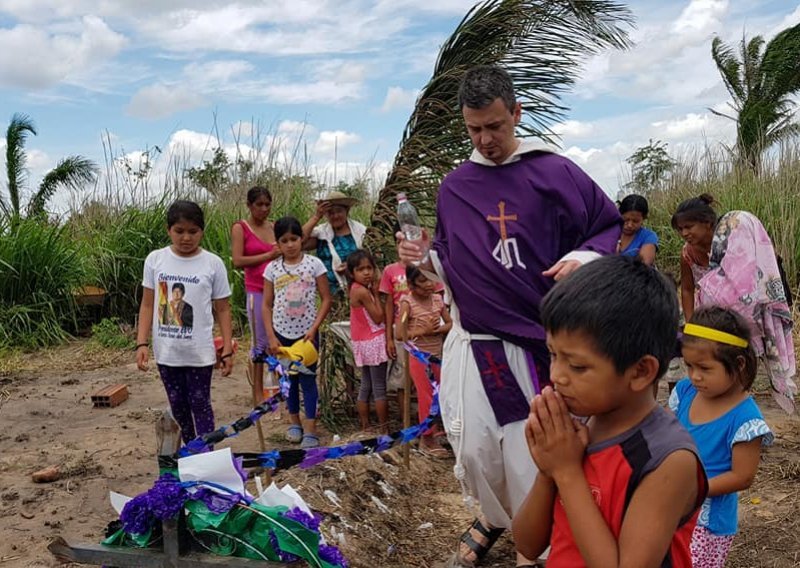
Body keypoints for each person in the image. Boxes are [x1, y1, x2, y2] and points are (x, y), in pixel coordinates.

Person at [398, 65, 622, 567]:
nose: (487, 139)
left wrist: (583, 260)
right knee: (476, 453)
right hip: (475, 343)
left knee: (533, 451)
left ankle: (541, 548)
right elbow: (449, 259)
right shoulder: (455, 187)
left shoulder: (556, 173)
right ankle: (505, 522)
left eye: (496, 126)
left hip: (539, 345)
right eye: (475, 129)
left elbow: (606, 228)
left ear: (516, 112)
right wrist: (422, 259)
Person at [512, 255, 708, 567]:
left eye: (577, 366)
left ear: (641, 372)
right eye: (553, 354)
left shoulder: (667, 459)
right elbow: (527, 543)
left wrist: (566, 471)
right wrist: (548, 470)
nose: (557, 376)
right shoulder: (577, 427)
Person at [669, 306, 773, 567]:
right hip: (671, 506)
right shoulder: (684, 393)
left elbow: (742, 476)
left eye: (704, 368)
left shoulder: (745, 419)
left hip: (707, 523)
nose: (694, 376)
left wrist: (694, 491)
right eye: (689, 366)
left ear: (738, 365)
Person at [672, 194, 796, 412]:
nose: (684, 233)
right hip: (711, 320)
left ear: (707, 222)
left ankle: (740, 405)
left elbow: (748, 276)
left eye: (689, 226)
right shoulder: (687, 254)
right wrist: (692, 324)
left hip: (743, 318)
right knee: (717, 363)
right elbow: (688, 289)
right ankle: (722, 406)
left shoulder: (736, 239)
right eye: (680, 229)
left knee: (744, 360)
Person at [136, 200, 234, 444]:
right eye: (179, 231)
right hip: (167, 353)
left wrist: (229, 348)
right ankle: (190, 454)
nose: (186, 238)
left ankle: (206, 456)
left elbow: (222, 308)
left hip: (199, 353)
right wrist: (141, 343)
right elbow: (148, 304)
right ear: (169, 230)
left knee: (200, 403)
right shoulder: (155, 260)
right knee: (178, 406)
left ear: (202, 231)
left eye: (193, 231)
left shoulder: (213, 264)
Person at [263, 216, 332, 448]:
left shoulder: (314, 265)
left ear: (302, 239)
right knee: (289, 380)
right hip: (282, 334)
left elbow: (326, 299)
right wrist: (271, 336)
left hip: (307, 335)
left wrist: (314, 328)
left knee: (308, 380)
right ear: (278, 244)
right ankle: (294, 423)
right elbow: (266, 304)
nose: (290, 244)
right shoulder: (272, 269)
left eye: (294, 239)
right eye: (285, 240)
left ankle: (311, 427)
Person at [379, 229, 446, 419]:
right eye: (403, 243)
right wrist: (390, 338)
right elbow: (390, 306)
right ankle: (406, 419)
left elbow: (440, 302)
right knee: (405, 381)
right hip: (407, 337)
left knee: (434, 385)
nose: (427, 284)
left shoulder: (429, 270)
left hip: (433, 343)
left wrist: (437, 328)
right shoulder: (390, 271)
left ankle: (432, 424)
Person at [231, 186, 281, 401]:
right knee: (260, 342)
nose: (264, 209)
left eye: (267, 204)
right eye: (259, 205)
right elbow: (238, 260)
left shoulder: (274, 227)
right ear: (249, 206)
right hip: (256, 290)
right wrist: (268, 255)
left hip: (279, 290)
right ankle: (257, 393)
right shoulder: (241, 228)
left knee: (278, 341)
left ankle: (279, 388)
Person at [400, 264, 453, 458]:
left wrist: (436, 330)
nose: (429, 284)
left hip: (437, 355)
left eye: (431, 279)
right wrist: (422, 332)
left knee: (441, 393)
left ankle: (437, 430)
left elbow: (449, 323)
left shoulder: (438, 300)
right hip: (418, 356)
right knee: (427, 395)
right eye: (423, 281)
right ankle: (427, 438)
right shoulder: (407, 303)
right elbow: (400, 334)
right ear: (411, 284)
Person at [346, 249, 390, 433]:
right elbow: (379, 317)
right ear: (351, 273)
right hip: (373, 341)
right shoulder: (363, 291)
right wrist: (377, 294)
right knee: (379, 386)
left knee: (366, 384)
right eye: (361, 269)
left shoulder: (355, 288)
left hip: (362, 342)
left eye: (369, 268)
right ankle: (384, 428)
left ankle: (365, 425)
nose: (366, 273)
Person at [302, 190, 366, 295]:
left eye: (339, 211)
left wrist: (350, 267)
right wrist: (317, 216)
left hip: (358, 291)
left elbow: (369, 258)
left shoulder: (360, 231)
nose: (335, 216)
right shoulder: (321, 233)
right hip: (327, 293)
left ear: (347, 211)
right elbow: (300, 240)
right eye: (331, 213)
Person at [616, 194, 658, 265]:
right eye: (626, 219)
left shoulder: (648, 237)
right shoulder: (609, 233)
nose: (629, 225)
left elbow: (644, 267)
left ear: (643, 219)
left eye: (635, 221)